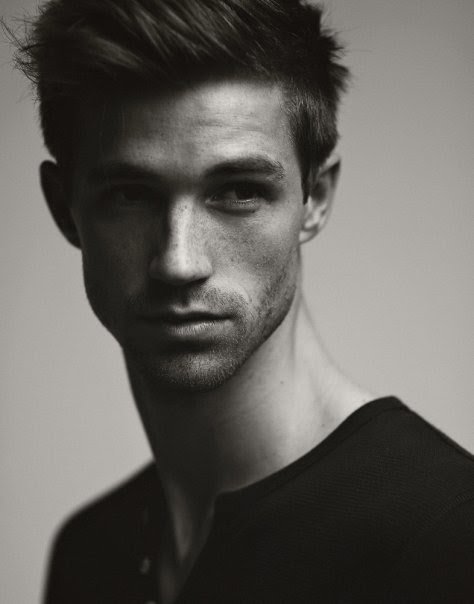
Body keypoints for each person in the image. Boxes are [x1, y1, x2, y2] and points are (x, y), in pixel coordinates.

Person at [10, 0, 474, 602]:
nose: (179, 262)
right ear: (64, 208)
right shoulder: (89, 554)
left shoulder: (446, 539)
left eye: (238, 192)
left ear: (315, 198)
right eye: (130, 194)